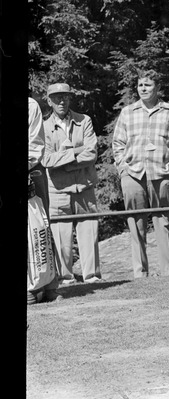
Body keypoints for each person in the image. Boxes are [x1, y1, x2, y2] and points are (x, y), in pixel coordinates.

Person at [111, 70, 169, 278]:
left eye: (148, 85)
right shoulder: (128, 112)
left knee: (164, 222)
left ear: (157, 88)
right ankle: (140, 272)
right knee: (136, 223)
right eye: (140, 85)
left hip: (161, 173)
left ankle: (168, 271)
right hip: (133, 174)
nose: (143, 89)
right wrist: (123, 168)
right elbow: (117, 143)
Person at [43, 83, 102, 284]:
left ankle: (92, 276)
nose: (61, 101)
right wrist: (76, 152)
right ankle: (65, 278)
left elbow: (92, 153)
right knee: (61, 235)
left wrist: (66, 163)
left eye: (65, 97)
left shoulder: (84, 120)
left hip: (84, 186)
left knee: (89, 231)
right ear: (49, 101)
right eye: (57, 97)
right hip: (58, 190)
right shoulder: (43, 127)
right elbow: (47, 160)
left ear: (70, 99)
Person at [29, 96, 61, 305]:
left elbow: (34, 145)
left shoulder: (30, 105)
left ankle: (50, 286)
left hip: (31, 171)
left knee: (41, 228)